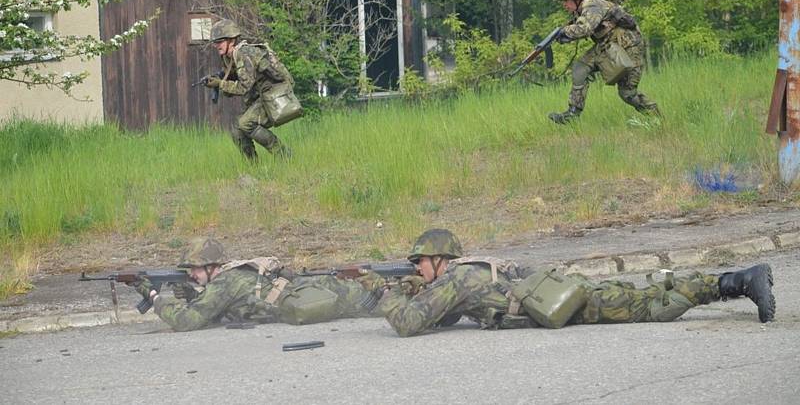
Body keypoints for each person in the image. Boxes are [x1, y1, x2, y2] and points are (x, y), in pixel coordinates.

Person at [360, 229, 776, 337]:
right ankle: (734, 281)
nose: (418, 270)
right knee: (646, 295)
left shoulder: (456, 277)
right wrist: (416, 288)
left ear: (440, 259)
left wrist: (388, 290)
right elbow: (444, 317)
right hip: (565, 293)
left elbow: (409, 323)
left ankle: (738, 281)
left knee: (654, 306)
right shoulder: (469, 269)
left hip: (573, 303)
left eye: (420, 264)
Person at [133, 237, 378, 332]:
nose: (192, 274)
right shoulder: (227, 278)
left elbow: (186, 322)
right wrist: (191, 294)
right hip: (309, 291)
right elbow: (214, 313)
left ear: (211, 266)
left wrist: (154, 296)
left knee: (382, 299)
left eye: (196, 269)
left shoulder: (224, 283)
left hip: (319, 292)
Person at [548, 0, 659, 124]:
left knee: (627, 93)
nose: (564, 4)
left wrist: (564, 32)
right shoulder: (581, 9)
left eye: (566, 0)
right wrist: (565, 35)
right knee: (580, 67)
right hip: (608, 46)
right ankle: (572, 114)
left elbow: (585, 28)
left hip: (628, 47)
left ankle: (657, 118)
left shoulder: (592, 4)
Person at [203, 19, 294, 159]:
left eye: (220, 41)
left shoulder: (244, 54)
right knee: (236, 130)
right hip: (262, 96)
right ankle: (253, 167)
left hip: (275, 93)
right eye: (215, 42)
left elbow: (244, 87)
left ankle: (284, 155)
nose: (216, 45)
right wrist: (220, 80)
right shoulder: (230, 57)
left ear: (231, 41)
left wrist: (220, 84)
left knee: (246, 123)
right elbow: (236, 82)